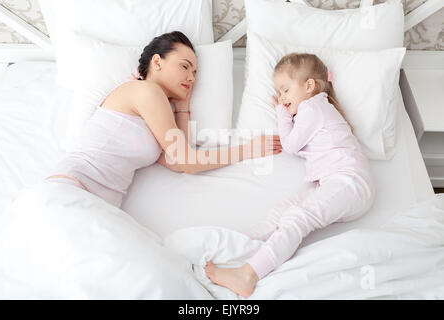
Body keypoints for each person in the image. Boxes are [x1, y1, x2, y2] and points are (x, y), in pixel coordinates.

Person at [45, 31, 282, 208]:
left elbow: (177, 162)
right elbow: (188, 162)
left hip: (99, 202)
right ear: (157, 62)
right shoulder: (146, 92)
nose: (191, 78)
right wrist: (248, 149)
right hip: (76, 187)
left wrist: (181, 106)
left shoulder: (152, 104)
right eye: (185, 66)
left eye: (195, 73)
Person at [204, 52, 375, 297]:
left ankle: (248, 275)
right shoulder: (316, 107)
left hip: (350, 181)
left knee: (297, 218)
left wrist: (281, 114)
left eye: (285, 90)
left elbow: (291, 144)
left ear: (309, 86)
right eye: (279, 92)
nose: (281, 98)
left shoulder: (312, 107)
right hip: (336, 183)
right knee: (282, 212)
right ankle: (241, 243)